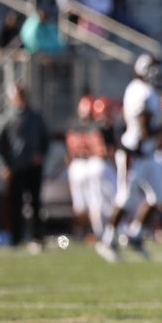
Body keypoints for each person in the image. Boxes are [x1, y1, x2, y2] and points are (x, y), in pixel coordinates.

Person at [96, 54, 162, 262]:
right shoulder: (142, 92)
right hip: (134, 153)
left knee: (158, 197)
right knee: (125, 198)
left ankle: (134, 234)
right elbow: (144, 129)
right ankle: (107, 240)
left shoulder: (139, 89)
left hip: (146, 153)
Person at [0, 84, 50, 253]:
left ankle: (37, 237)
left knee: (35, 203)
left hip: (33, 167)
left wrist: (41, 154)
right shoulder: (7, 119)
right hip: (15, 167)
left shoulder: (35, 117)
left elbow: (45, 139)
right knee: (15, 204)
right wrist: (4, 166)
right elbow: (0, 147)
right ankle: (15, 238)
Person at [65, 95, 117, 242]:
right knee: (107, 202)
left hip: (77, 165)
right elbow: (106, 151)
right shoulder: (99, 127)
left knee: (82, 206)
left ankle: (81, 233)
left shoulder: (73, 127)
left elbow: (68, 154)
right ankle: (103, 233)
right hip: (98, 163)